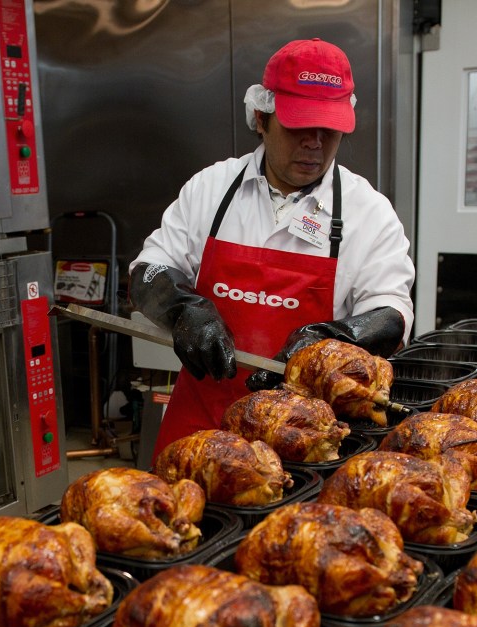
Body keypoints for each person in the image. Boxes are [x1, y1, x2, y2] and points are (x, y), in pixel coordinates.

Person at [129, 37, 416, 454]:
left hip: (306, 439)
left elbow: (391, 314)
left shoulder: (368, 211)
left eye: (329, 128)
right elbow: (150, 269)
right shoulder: (213, 188)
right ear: (262, 118)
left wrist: (329, 339)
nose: (315, 143)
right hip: (201, 430)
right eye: (300, 125)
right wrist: (183, 310)